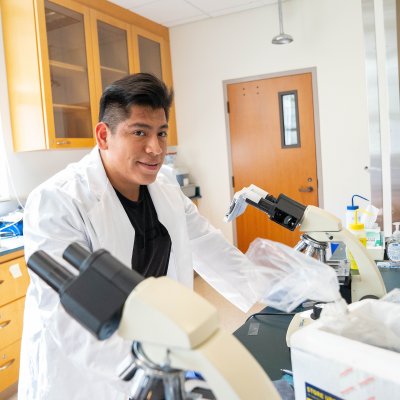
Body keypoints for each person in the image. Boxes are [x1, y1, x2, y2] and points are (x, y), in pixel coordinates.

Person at [19, 73, 260, 400]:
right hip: (85, 376)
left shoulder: (165, 186)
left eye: (161, 133)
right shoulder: (58, 202)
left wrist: (273, 297)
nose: (156, 148)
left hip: (156, 344)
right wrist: (149, 371)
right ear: (104, 136)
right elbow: (71, 319)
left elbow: (209, 246)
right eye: (139, 132)